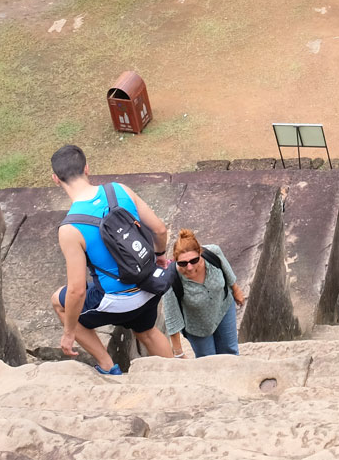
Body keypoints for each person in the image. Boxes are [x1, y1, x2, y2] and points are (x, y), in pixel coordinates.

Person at [48, 145, 175, 372]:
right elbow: (160, 230)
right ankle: (178, 373)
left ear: (56, 179)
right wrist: (160, 257)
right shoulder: (120, 190)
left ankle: (107, 365)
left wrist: (68, 334)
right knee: (147, 331)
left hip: (118, 300)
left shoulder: (70, 228)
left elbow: (77, 290)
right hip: (150, 283)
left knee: (60, 302)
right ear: (87, 168)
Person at [159, 228, 247, 357]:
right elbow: (172, 316)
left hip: (223, 308)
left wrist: (236, 289)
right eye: (183, 263)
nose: (189, 267)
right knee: (207, 360)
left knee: (230, 353)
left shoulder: (213, 253)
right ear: (175, 259)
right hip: (198, 325)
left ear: (200, 252)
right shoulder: (171, 278)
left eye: (194, 260)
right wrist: (178, 351)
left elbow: (226, 270)